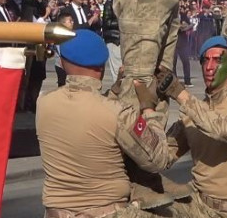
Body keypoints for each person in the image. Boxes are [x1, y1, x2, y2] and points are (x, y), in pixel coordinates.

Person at [36, 29, 174, 218]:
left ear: (63, 62)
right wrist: (149, 110)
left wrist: (114, 91)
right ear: (102, 66)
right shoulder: (117, 113)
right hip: (106, 212)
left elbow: (83, 110)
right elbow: (158, 159)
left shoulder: (44, 103)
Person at [159, 36, 227, 217]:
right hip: (197, 206)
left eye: (218, 61)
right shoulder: (193, 112)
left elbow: (225, 131)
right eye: (205, 61)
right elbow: (161, 156)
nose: (209, 67)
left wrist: (180, 93)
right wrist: (146, 106)